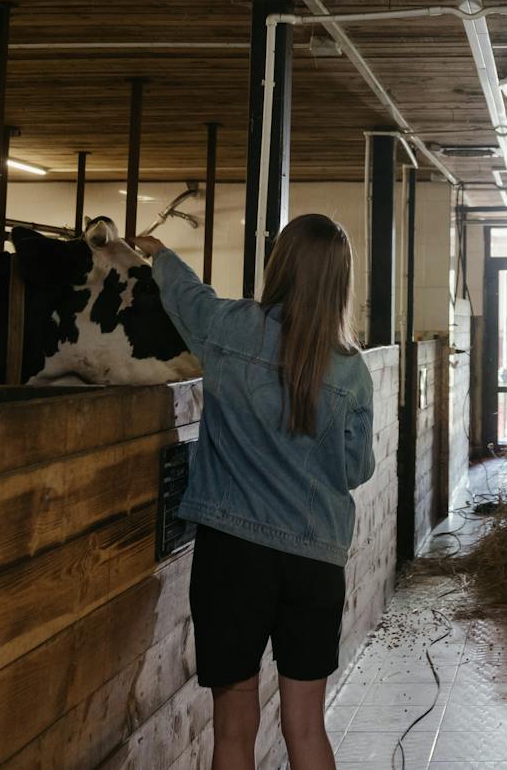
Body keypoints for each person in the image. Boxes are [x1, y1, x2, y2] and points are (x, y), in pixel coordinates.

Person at [134, 215, 374, 770]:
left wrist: (161, 254)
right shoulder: (351, 369)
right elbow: (357, 468)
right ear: (341, 281)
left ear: (281, 264)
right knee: (306, 728)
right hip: (315, 560)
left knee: (234, 728)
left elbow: (187, 298)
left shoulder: (232, 327)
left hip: (233, 555)